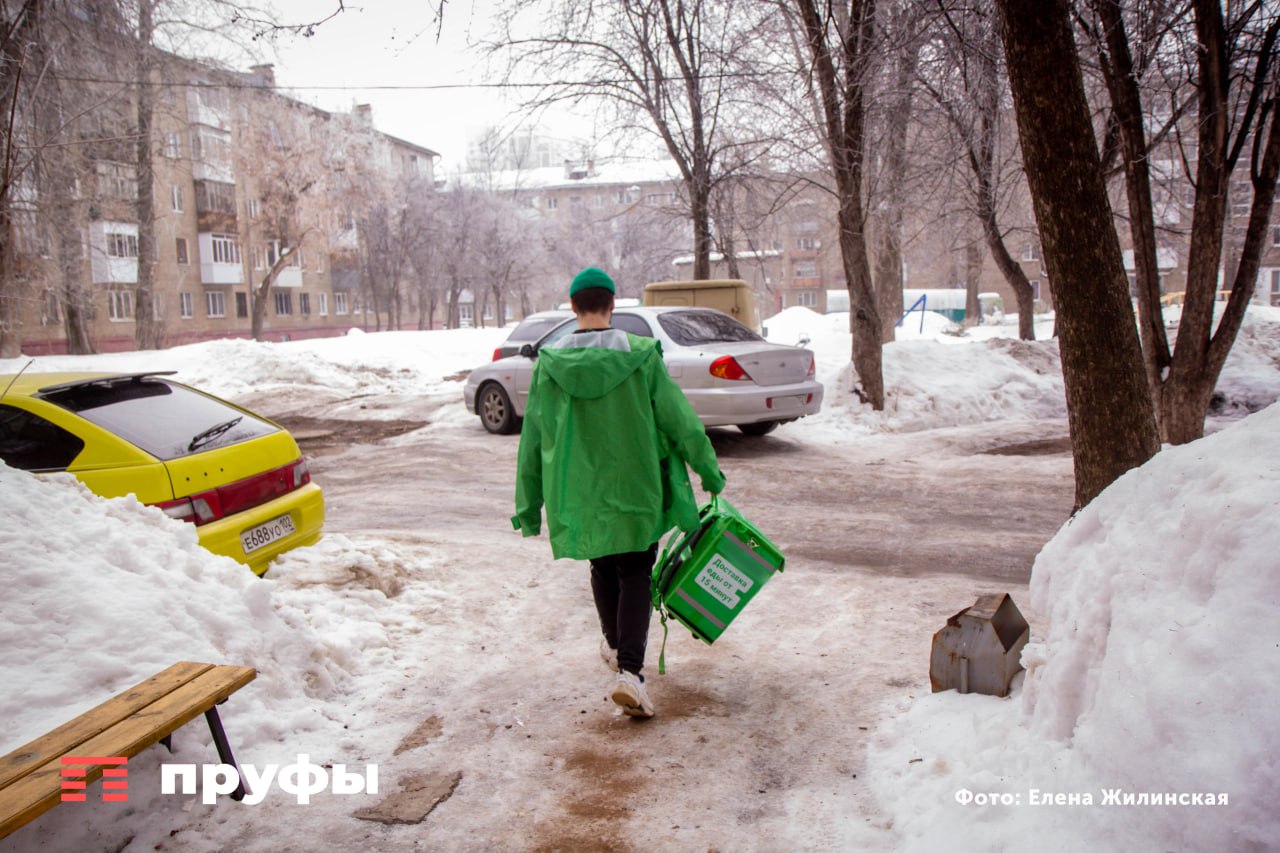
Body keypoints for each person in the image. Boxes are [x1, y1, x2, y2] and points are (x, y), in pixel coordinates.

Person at [512, 267, 725, 718]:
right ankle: (630, 670)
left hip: (579, 491)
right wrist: (708, 470)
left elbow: (533, 438)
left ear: (573, 308)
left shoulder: (549, 365)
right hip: (636, 486)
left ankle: (615, 650)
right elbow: (679, 420)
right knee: (634, 570)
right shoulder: (642, 356)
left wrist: (529, 507)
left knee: (603, 564)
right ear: (613, 305)